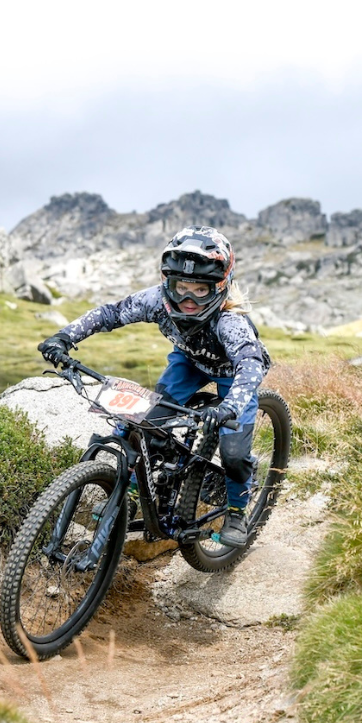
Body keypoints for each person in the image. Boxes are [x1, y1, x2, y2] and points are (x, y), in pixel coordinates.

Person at [37, 226, 271, 548]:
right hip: (188, 363)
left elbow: (250, 362)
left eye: (200, 291)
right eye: (180, 287)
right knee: (148, 423)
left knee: (233, 453)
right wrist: (65, 337)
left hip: (233, 376)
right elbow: (111, 313)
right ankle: (133, 493)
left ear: (220, 286)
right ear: (167, 282)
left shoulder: (230, 321)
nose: (188, 299)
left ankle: (235, 511)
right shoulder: (157, 301)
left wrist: (231, 405)